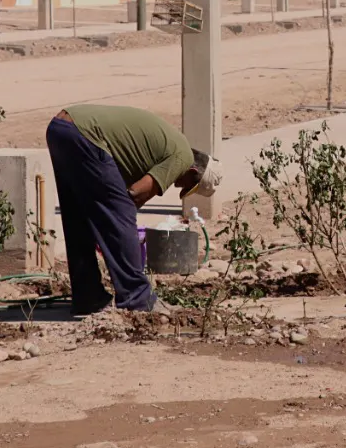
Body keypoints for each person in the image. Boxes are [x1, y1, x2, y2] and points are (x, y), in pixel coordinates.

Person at [45, 104, 222, 315]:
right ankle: (137, 298)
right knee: (120, 216)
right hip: (86, 135)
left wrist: (109, 226)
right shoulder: (182, 156)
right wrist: (120, 230)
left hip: (61, 129)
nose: (178, 186)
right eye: (187, 185)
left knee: (78, 218)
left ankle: (88, 297)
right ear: (192, 172)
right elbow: (135, 195)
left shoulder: (167, 145)